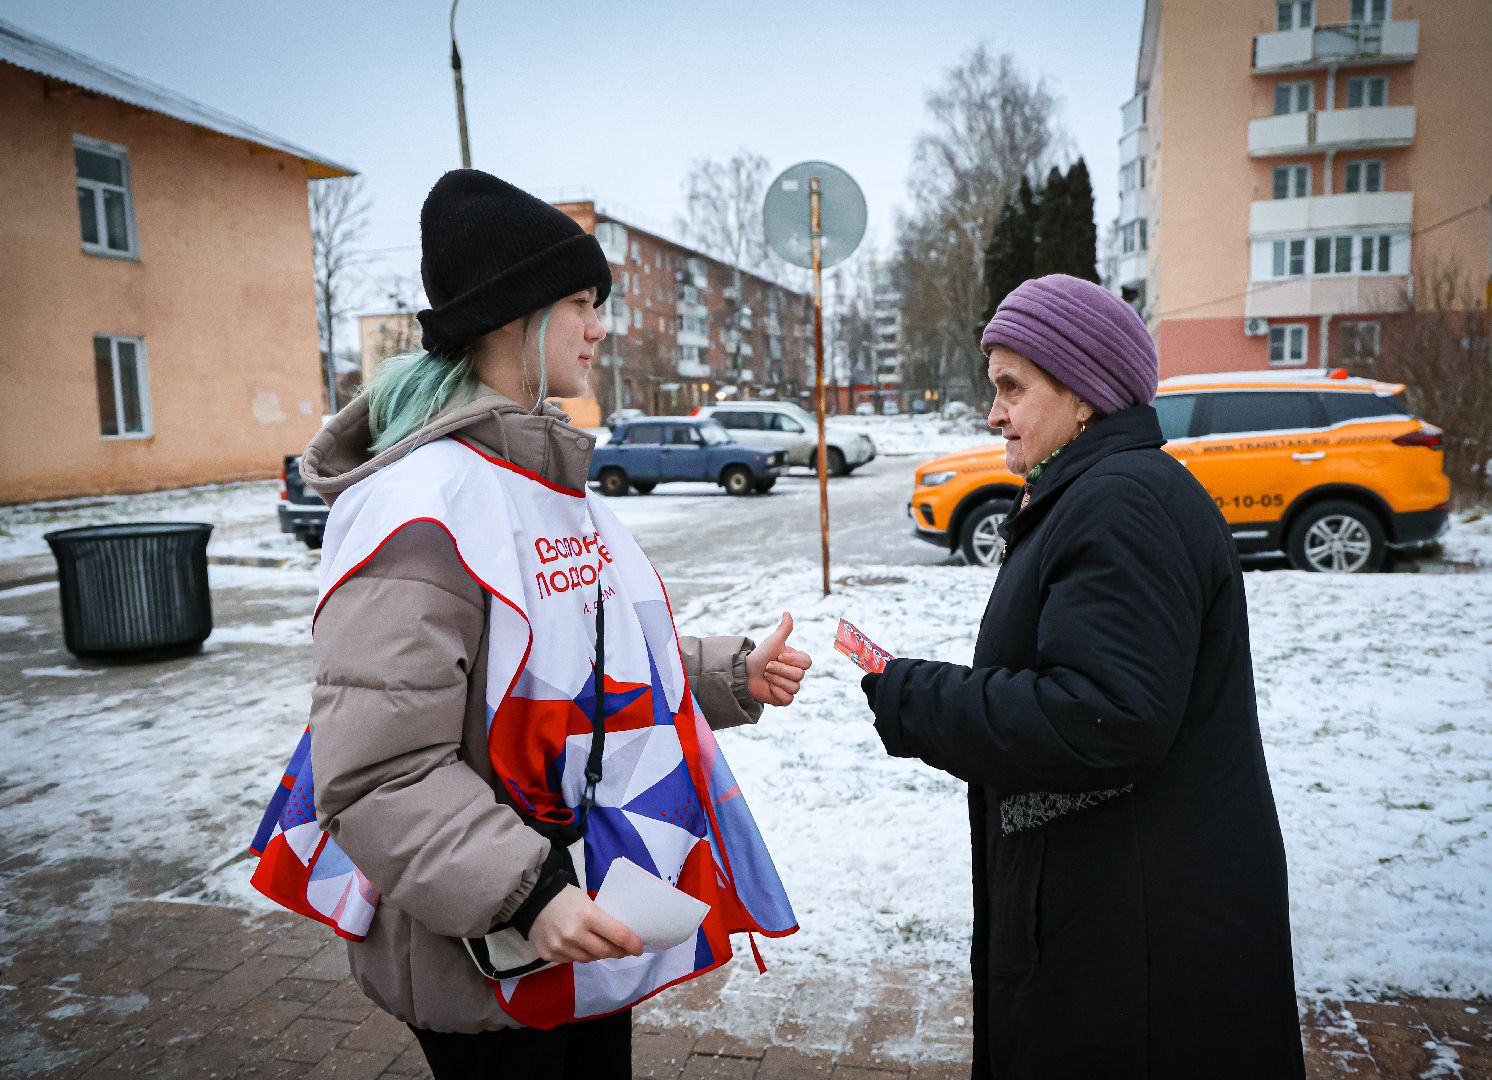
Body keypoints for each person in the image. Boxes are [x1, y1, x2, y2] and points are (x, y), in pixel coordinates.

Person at [248, 170, 809, 1078]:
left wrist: (720, 676)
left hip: (565, 919)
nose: (599, 327)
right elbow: (378, 769)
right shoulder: (423, 504)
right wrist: (526, 893)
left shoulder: (535, 471)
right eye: (583, 302)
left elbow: (575, 654)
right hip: (488, 948)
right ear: (515, 314)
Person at [861, 275, 1304, 1077]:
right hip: (1120, 906)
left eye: (1011, 387)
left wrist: (920, 698)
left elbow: (1106, 717)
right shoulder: (1095, 492)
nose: (993, 412)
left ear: (1086, 394)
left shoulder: (1121, 502)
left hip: (1135, 939)